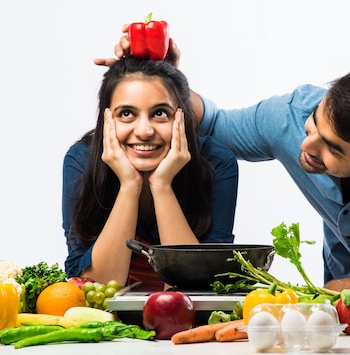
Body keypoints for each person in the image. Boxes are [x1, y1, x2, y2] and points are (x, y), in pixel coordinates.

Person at [97, 32, 350, 292]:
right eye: (315, 122)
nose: (308, 145)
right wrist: (165, 79)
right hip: (344, 288)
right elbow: (212, 121)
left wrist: (309, 294)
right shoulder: (290, 115)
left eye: (333, 149)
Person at [63, 55, 239, 286]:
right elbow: (94, 289)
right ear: (107, 120)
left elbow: (201, 288)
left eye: (159, 113)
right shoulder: (82, 161)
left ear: (181, 117)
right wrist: (129, 185)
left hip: (190, 321)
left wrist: (162, 186)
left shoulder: (216, 162)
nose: (144, 131)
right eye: (126, 114)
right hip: (109, 321)